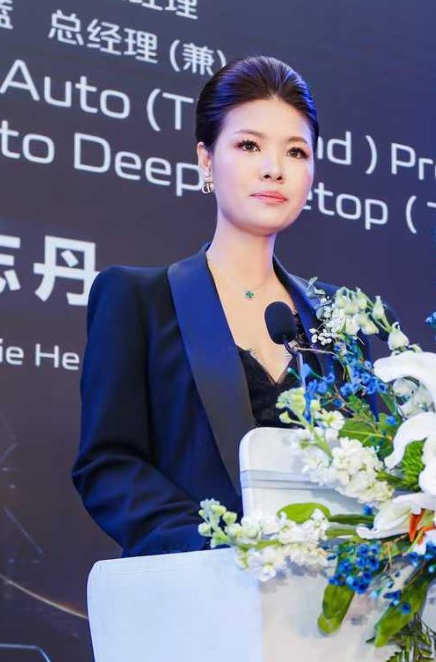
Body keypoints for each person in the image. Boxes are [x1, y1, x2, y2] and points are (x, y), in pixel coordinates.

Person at [72, 55, 332, 558]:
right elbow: (108, 465)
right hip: (195, 583)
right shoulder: (137, 300)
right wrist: (216, 544)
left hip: (328, 595)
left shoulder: (341, 318)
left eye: (296, 152)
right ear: (206, 160)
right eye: (249, 145)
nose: (274, 169)